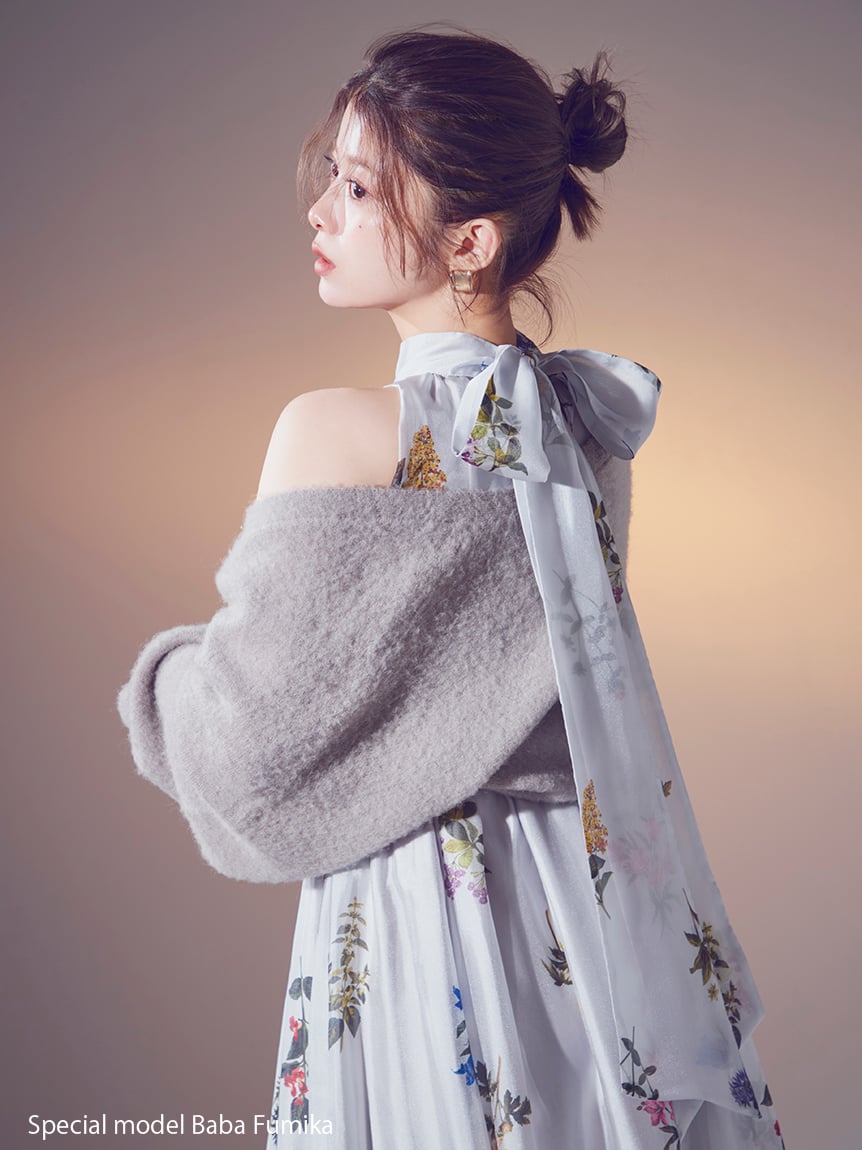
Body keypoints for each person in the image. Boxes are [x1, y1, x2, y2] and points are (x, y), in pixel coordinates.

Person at [117, 28, 785, 1150]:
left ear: (469, 240)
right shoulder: (587, 424)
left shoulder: (332, 431)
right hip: (593, 914)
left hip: (422, 911)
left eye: (358, 186)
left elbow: (245, 744)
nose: (320, 210)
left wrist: (163, 682)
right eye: (331, 177)